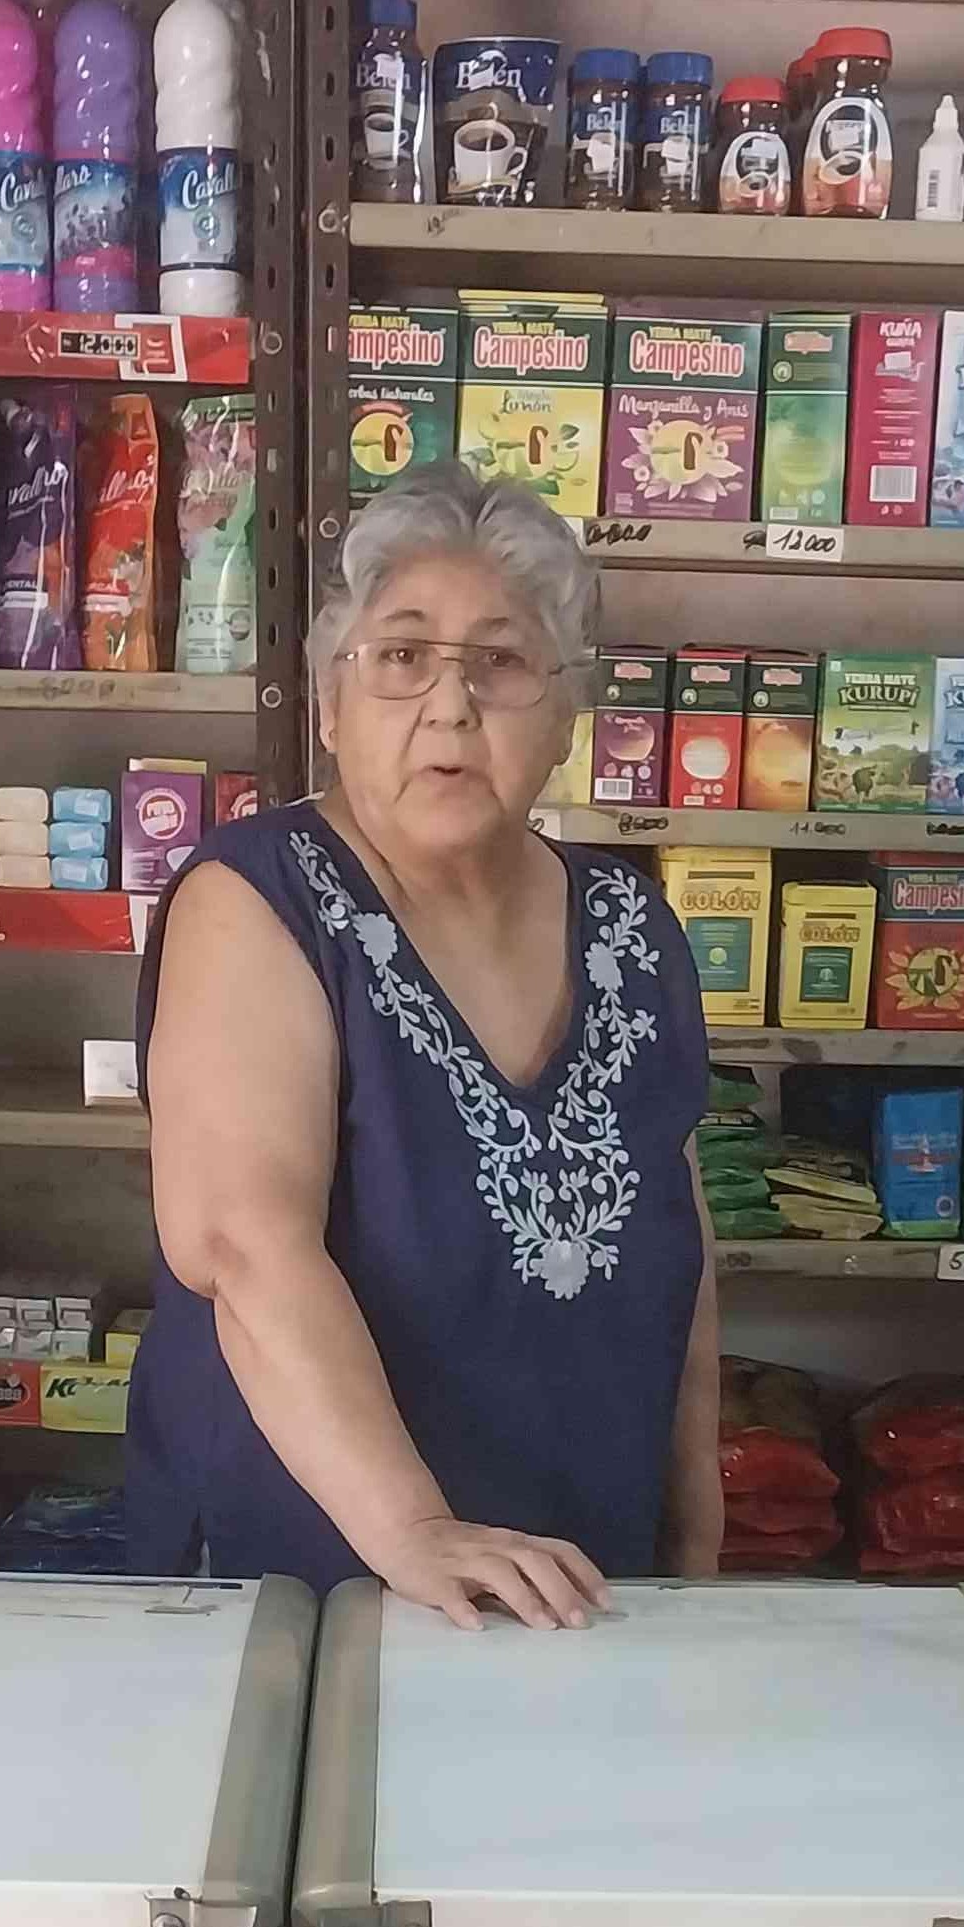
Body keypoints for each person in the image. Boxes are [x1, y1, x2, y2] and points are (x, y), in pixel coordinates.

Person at [124, 461, 719, 1627]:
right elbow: (243, 1245)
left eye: (500, 663)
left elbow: (679, 1235)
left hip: (580, 1585)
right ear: (331, 706)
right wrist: (414, 1529)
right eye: (401, 657)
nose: (450, 707)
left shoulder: (632, 925)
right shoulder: (258, 899)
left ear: (565, 715)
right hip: (306, 1590)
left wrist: (696, 1521)